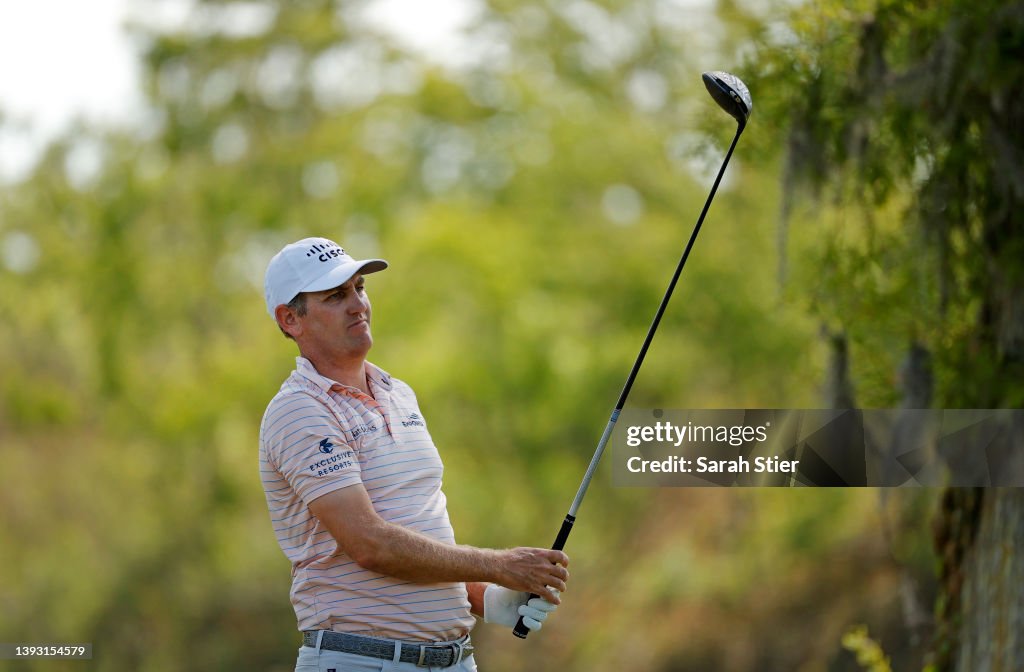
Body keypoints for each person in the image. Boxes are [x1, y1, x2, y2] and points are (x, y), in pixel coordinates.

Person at [259, 237, 569, 671]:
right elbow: (370, 545)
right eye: (335, 296)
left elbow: (418, 533)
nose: (357, 306)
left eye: (359, 289)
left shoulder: (398, 394)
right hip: (359, 661)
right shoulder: (300, 410)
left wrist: (486, 597)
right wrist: (500, 565)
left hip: (453, 661)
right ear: (290, 319)